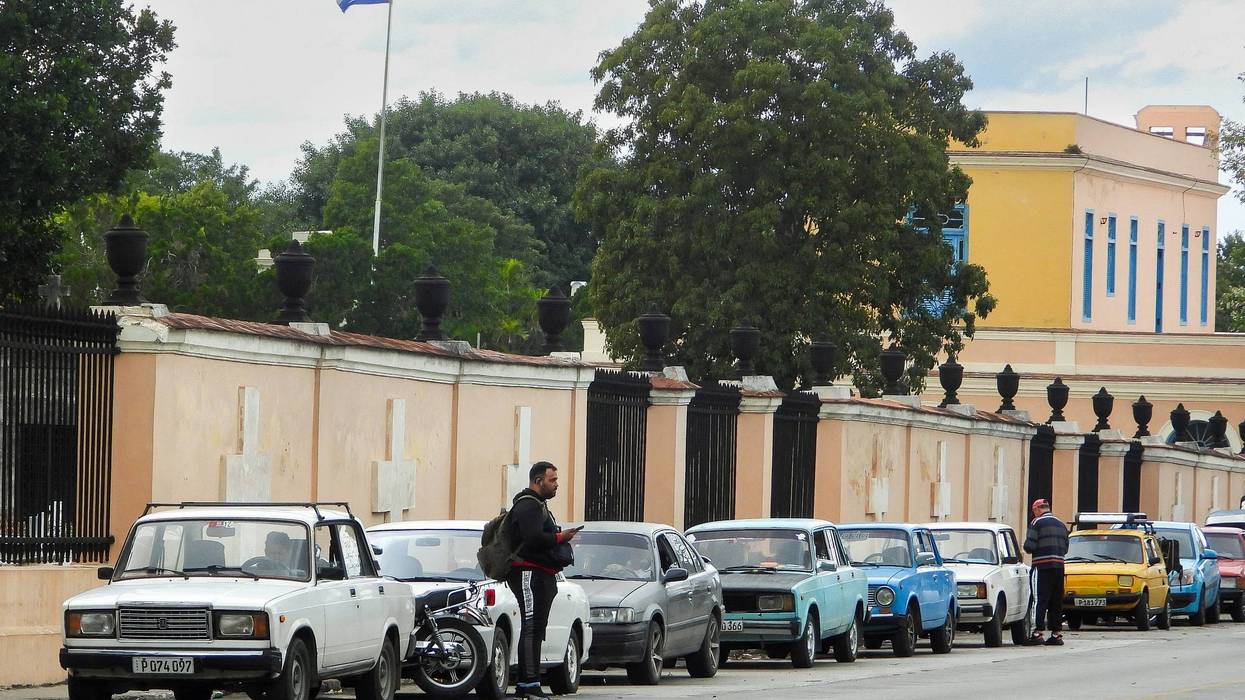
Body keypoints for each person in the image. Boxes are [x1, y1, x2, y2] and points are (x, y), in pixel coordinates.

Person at [506, 461, 577, 699]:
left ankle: (531, 682)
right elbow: (533, 538)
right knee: (531, 628)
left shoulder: (539, 505)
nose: (556, 485)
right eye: (552, 480)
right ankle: (528, 685)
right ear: (538, 481)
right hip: (528, 575)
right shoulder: (527, 505)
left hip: (542, 575)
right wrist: (560, 537)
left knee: (537, 629)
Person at [1023, 498, 1070, 645]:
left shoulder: (1037, 523)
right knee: (1056, 600)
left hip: (1041, 566)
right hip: (1059, 566)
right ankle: (1056, 635)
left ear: (1037, 509)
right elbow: (1066, 548)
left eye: (1034, 511)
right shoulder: (1061, 525)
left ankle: (1037, 633)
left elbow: (1029, 546)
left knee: (1039, 599)